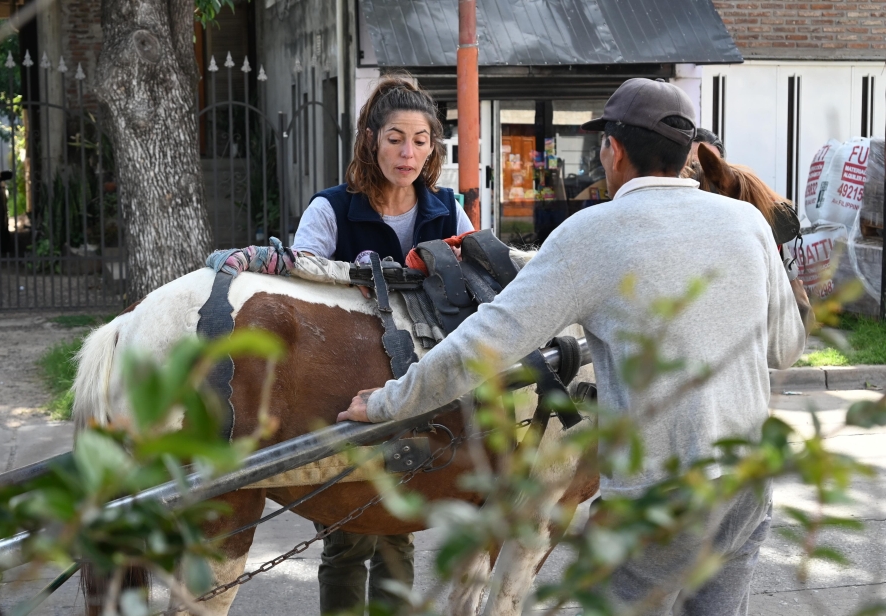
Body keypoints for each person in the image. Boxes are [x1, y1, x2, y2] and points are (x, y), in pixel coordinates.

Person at [337, 78, 806, 615]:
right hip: (747, 487)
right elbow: (786, 348)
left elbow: (482, 346)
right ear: (685, 154)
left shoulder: (593, 234)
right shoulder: (747, 222)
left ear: (613, 150)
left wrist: (387, 402)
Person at [291, 75, 474, 615]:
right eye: (395, 137)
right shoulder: (331, 209)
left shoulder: (447, 210)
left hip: (419, 385)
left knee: (399, 526)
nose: (408, 152)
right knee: (347, 533)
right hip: (343, 385)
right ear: (371, 139)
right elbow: (302, 290)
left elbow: (472, 285)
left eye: (421, 140)